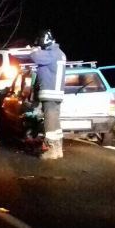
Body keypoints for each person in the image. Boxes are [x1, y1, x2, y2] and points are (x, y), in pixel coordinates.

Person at [30, 29, 67, 159]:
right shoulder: (59, 53)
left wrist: (34, 49)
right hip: (57, 94)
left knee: (50, 122)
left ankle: (51, 149)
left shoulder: (51, 53)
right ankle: (58, 149)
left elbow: (35, 56)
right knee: (55, 123)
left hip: (50, 93)